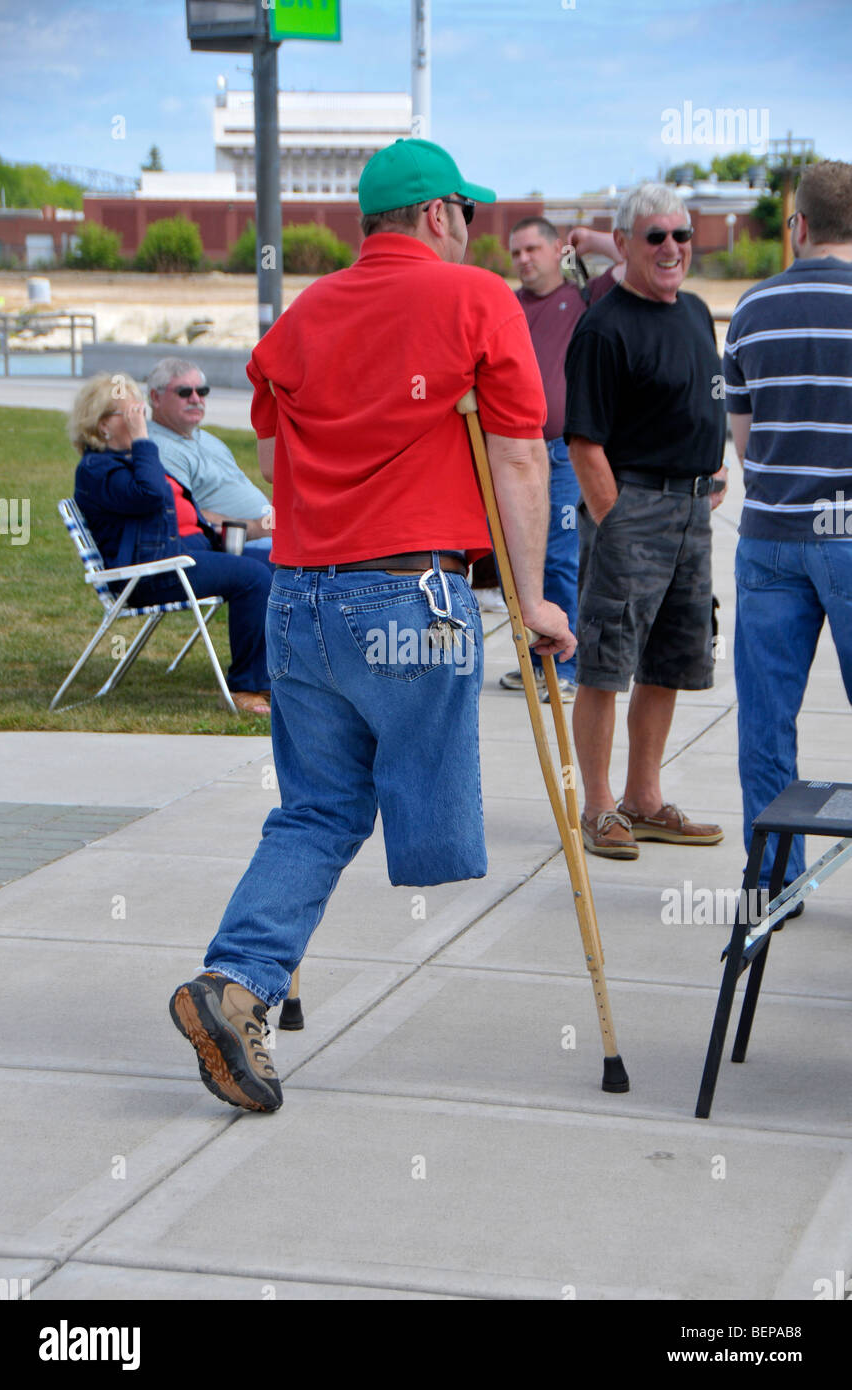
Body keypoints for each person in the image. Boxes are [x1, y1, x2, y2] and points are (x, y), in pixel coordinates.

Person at [169, 136, 576, 1113]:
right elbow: (521, 460)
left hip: (299, 592)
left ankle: (236, 983)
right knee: (428, 824)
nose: (473, 232)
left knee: (317, 808)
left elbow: (273, 452)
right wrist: (531, 600)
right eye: (466, 216)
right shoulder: (474, 299)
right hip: (408, 593)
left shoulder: (302, 315)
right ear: (437, 215)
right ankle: (251, 976)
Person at [563, 182, 728, 859]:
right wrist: (617, 522)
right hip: (628, 510)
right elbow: (583, 442)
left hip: (691, 512)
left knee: (668, 664)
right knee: (606, 664)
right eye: (654, 236)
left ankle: (645, 801)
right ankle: (599, 809)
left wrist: (707, 473)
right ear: (624, 244)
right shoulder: (603, 327)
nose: (669, 247)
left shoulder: (693, 310)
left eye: (680, 235)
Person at [724, 159, 852, 899]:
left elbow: (745, 444)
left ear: (796, 226)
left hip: (770, 538)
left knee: (766, 723)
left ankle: (773, 884)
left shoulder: (750, 310)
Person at [71, 372, 273, 716]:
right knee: (252, 577)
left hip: (187, 555)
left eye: (140, 412)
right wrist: (142, 441)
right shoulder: (97, 469)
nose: (141, 421)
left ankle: (290, 672)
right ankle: (247, 687)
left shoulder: (131, 462)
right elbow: (149, 496)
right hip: (150, 574)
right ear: (103, 426)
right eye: (132, 414)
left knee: (281, 561)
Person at [499, 217, 624, 703]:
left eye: (533, 248)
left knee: (559, 557)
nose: (524, 259)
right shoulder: (506, 305)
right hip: (515, 451)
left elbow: (631, 259)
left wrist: (589, 240)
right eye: (516, 253)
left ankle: (565, 667)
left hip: (565, 452)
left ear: (557, 249)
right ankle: (534, 662)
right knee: (519, 558)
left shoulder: (584, 299)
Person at [146, 358, 273, 565]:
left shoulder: (206, 439)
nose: (196, 399)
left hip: (272, 535)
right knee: (317, 564)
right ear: (155, 398)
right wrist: (256, 528)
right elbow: (184, 512)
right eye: (184, 392)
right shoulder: (161, 449)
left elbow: (239, 487)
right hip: (234, 548)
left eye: (202, 391)